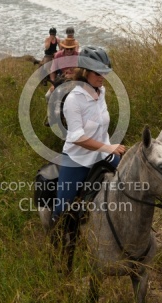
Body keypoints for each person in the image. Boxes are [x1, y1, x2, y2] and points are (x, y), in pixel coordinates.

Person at [51, 46, 126, 226]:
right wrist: (108, 148)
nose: (102, 77)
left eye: (104, 73)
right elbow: (77, 137)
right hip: (77, 159)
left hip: (103, 154)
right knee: (62, 209)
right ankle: (55, 240)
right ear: (84, 72)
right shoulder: (73, 99)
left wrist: (107, 148)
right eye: (97, 73)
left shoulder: (102, 92)